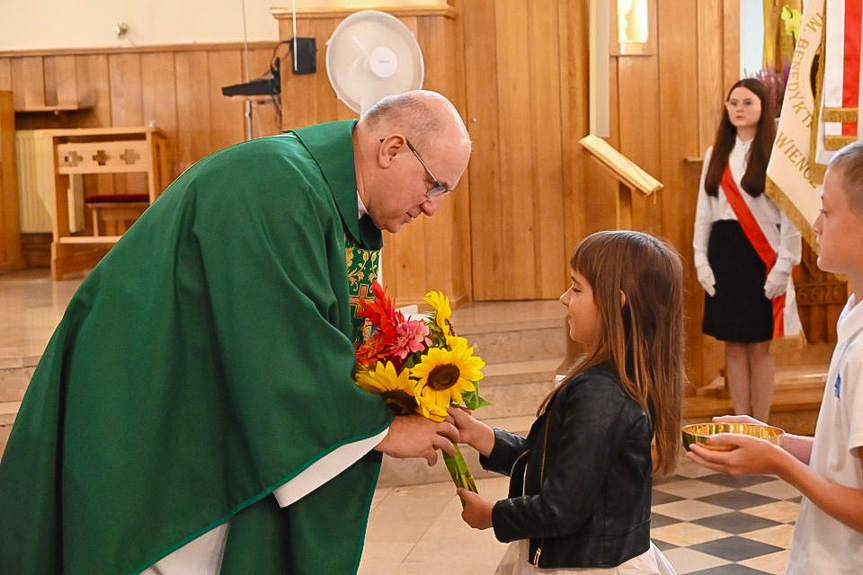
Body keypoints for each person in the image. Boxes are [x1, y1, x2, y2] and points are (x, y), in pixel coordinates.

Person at [0, 90, 470, 574]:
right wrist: (382, 427)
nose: (431, 207)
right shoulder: (274, 183)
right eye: (434, 185)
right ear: (391, 150)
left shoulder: (334, 202)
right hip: (143, 413)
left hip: (188, 396)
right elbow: (277, 348)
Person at [450, 230, 685, 574]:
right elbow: (560, 466)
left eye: (576, 288)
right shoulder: (615, 380)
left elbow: (563, 506)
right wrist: (482, 437)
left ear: (615, 303)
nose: (563, 298)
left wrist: (492, 515)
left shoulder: (602, 393)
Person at [687, 141, 863, 574]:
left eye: (826, 210)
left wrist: (779, 463)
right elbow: (843, 457)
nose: (815, 224)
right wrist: (776, 439)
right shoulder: (853, 313)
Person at [693, 78, 802, 422]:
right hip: (725, 255)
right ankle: (742, 422)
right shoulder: (716, 155)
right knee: (733, 345)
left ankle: (762, 424)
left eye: (747, 102)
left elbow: (791, 219)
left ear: (763, 108)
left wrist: (783, 267)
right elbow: (703, 214)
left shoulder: (775, 157)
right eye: (733, 103)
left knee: (759, 346)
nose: (738, 109)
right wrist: (700, 260)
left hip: (761, 256)